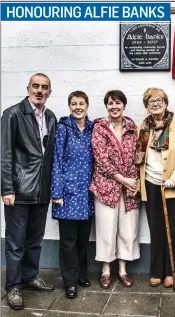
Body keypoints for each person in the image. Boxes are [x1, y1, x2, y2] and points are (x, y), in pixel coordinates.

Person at [1, 73, 56, 310]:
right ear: (28, 89)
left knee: (35, 240)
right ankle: (13, 286)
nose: (40, 91)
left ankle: (30, 276)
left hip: (41, 191)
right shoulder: (12, 114)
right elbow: (5, 154)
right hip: (20, 190)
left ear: (50, 92)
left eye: (44, 87)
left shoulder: (51, 117)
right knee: (16, 242)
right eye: (35, 86)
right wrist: (7, 188)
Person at [136, 87, 175, 288]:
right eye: (151, 101)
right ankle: (157, 271)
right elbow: (139, 156)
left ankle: (172, 271)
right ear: (146, 106)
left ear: (166, 103)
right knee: (156, 229)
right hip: (151, 183)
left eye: (159, 100)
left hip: (173, 185)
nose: (156, 104)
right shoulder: (143, 127)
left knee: (174, 229)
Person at [90, 90, 140, 289]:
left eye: (118, 103)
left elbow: (137, 155)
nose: (114, 107)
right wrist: (124, 180)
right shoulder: (100, 127)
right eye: (110, 103)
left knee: (127, 229)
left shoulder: (131, 127)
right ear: (106, 106)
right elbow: (101, 159)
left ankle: (122, 270)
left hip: (128, 188)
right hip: (105, 186)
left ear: (124, 105)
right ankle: (105, 270)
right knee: (106, 228)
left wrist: (132, 182)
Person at [50, 91, 94, 298]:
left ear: (87, 106)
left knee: (83, 239)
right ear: (69, 106)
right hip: (67, 194)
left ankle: (81, 275)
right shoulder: (63, 128)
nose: (78, 107)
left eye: (81, 103)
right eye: (74, 104)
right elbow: (56, 160)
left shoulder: (93, 128)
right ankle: (69, 282)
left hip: (87, 194)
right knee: (68, 242)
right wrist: (56, 193)